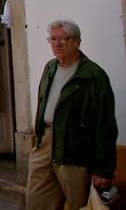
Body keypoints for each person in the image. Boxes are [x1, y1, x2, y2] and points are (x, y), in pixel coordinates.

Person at [26, 20, 117, 210]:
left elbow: (105, 124)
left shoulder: (93, 75)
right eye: (53, 39)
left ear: (77, 41)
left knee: (79, 203)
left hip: (75, 149)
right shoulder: (50, 68)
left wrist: (103, 169)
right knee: (37, 199)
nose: (57, 44)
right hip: (45, 142)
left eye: (63, 39)